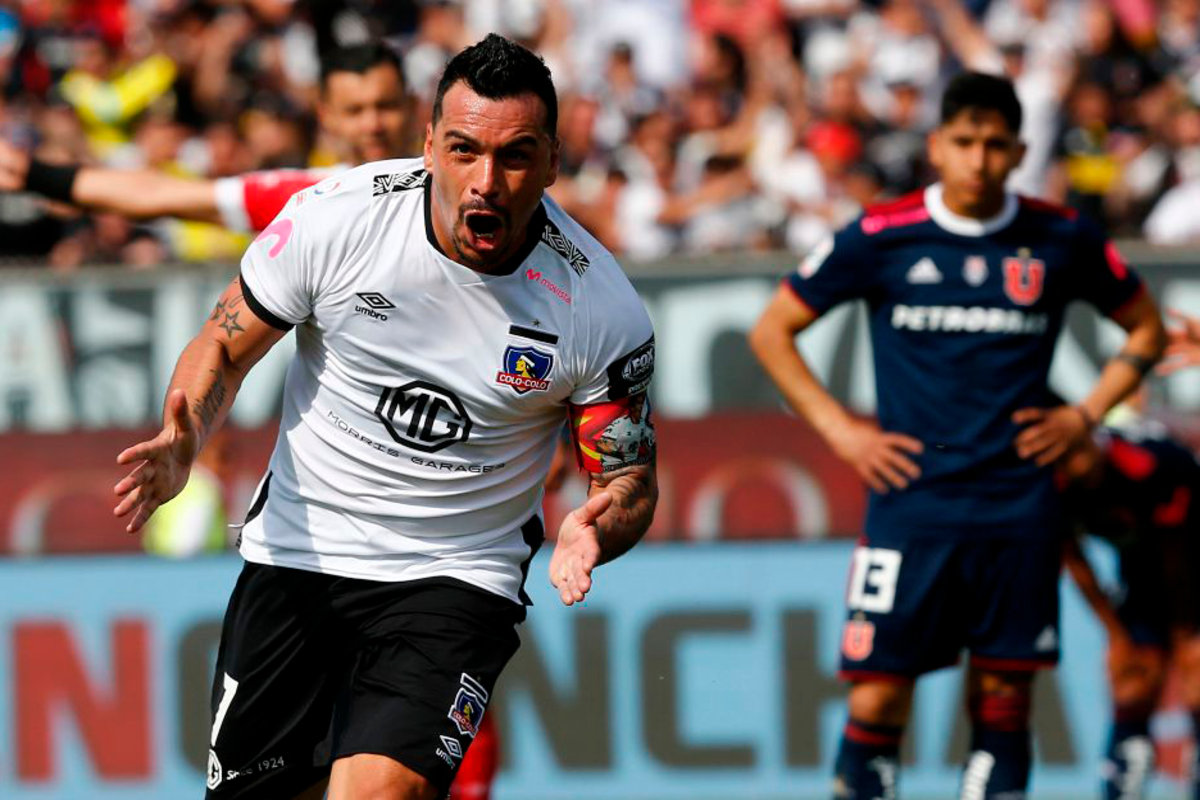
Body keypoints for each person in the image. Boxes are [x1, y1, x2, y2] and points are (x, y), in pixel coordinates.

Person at [112, 33, 658, 800]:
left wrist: (601, 523)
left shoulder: (602, 310)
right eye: (464, 150)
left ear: (553, 163)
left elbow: (629, 474)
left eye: (515, 156)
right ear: (429, 143)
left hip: (455, 578)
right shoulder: (337, 221)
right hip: (299, 554)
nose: (486, 182)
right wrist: (186, 435)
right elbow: (225, 348)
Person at [748, 71, 1165, 800]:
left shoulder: (1060, 237)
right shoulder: (883, 235)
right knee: (877, 698)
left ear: (1019, 151)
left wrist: (1083, 415)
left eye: (996, 145)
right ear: (938, 145)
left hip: (1018, 508)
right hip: (912, 506)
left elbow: (1146, 327)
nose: (979, 159)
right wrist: (842, 432)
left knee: (1005, 702)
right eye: (965, 142)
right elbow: (773, 331)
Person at [0, 43, 415, 232]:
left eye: (386, 106)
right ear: (326, 116)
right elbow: (159, 193)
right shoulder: (312, 198)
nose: (373, 124)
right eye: (355, 111)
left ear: (414, 106)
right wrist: (33, 172)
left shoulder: (463, 188)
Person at [1059, 415, 1200, 800]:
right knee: (1133, 682)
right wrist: (1117, 636)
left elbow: (1178, 561)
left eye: (1077, 456)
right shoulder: (1048, 481)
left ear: (1093, 444)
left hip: (1188, 561)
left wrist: (1186, 633)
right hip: (1146, 570)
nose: (1071, 470)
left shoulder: (1148, 468)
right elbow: (1074, 560)